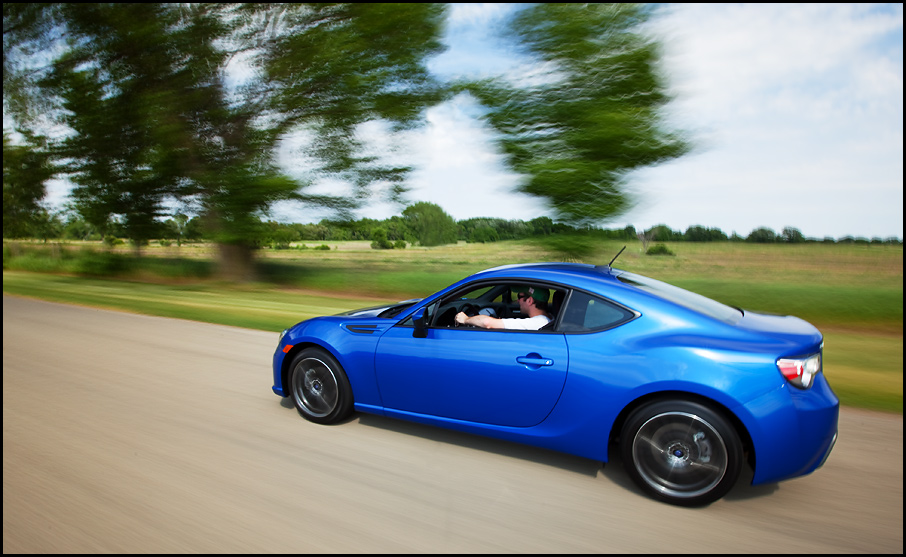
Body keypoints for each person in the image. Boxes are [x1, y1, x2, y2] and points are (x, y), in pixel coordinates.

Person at [455, 287, 551, 330]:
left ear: (529, 300)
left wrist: (465, 319)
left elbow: (487, 323)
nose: (517, 301)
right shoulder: (547, 318)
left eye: (519, 296)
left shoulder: (537, 323)